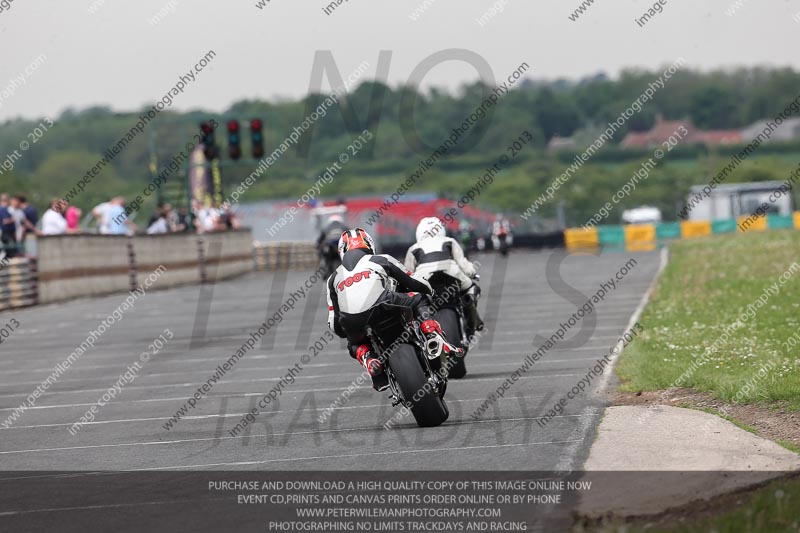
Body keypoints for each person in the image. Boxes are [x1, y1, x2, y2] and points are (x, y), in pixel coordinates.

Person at [326, 228, 462, 391]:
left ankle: (369, 359)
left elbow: (334, 322)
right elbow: (413, 281)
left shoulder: (333, 278)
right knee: (419, 298)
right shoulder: (380, 259)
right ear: (369, 245)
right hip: (383, 304)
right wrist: (428, 290)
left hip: (351, 320)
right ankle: (433, 336)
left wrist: (347, 333)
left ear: (342, 251)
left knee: (353, 342)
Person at [405, 217, 484, 333]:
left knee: (414, 303)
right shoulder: (450, 241)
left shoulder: (413, 248)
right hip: (451, 273)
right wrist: (472, 273)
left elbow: (408, 274)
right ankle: (473, 319)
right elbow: (464, 264)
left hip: (424, 278)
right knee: (472, 289)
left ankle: (419, 330)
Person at [0, 194, 17, 258]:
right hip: (6, 233)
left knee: (9, 250)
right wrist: (12, 219)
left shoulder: (6, 209)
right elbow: (5, 221)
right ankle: (3, 265)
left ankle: (4, 264)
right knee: (10, 250)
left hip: (8, 232)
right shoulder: (2, 209)